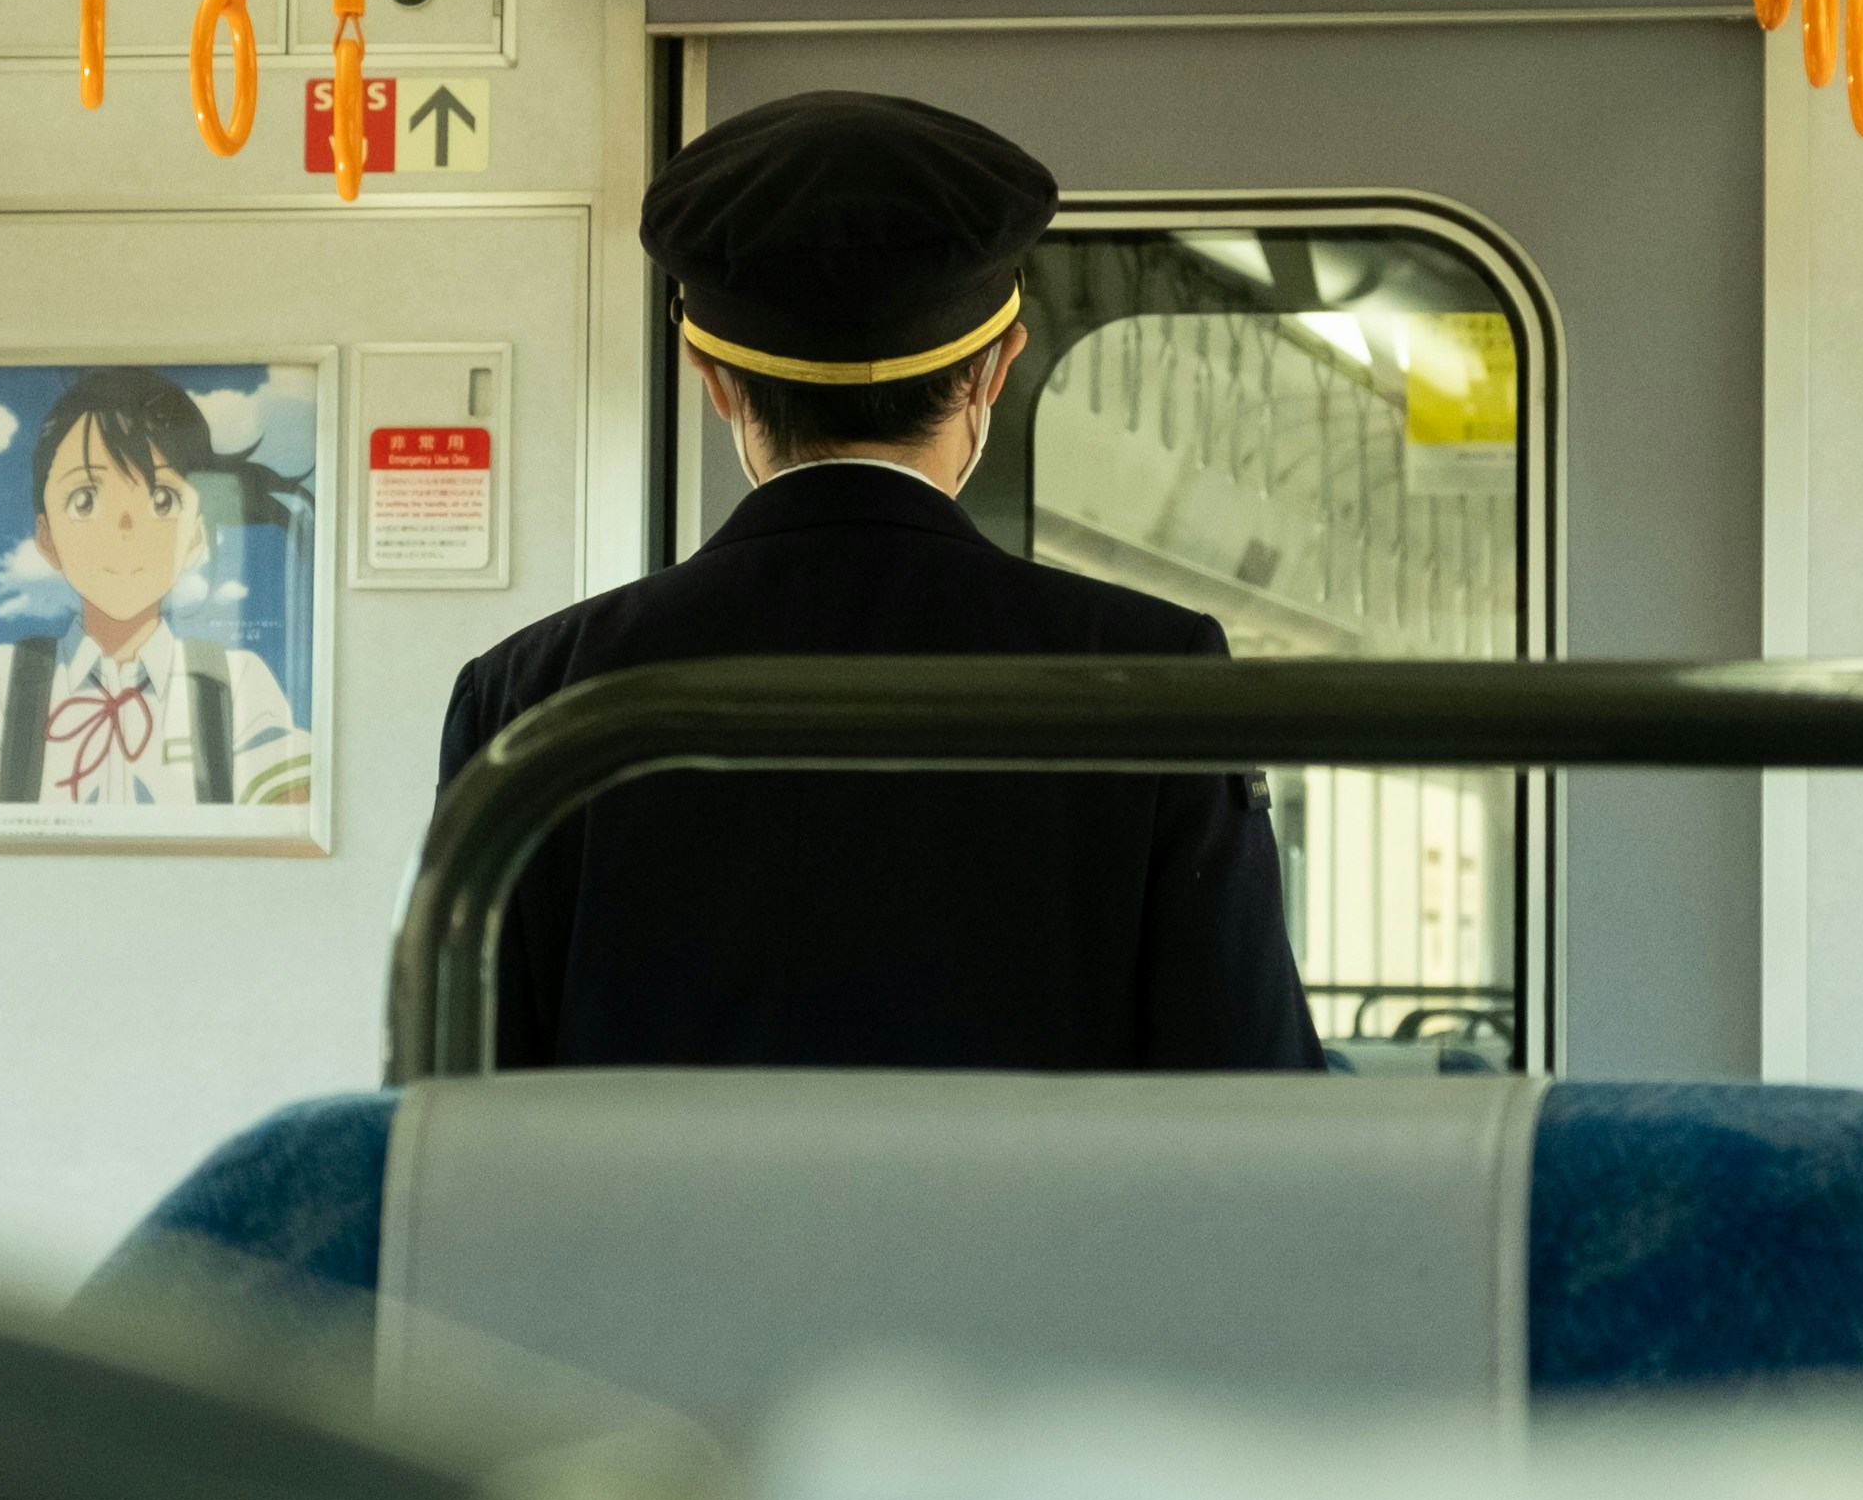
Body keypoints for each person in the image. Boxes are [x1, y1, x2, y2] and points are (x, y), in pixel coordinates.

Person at [431, 92, 1319, 1070]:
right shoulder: (1155, 676)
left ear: (708, 372)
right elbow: (1248, 1097)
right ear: (995, 367)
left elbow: (458, 1117)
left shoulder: (529, 695)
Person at [0, 370, 316, 811]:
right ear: (47, 537)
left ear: (196, 535)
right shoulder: (8, 678)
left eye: (163, 501)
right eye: (85, 499)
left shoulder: (234, 683)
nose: (125, 526)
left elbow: (292, 810)